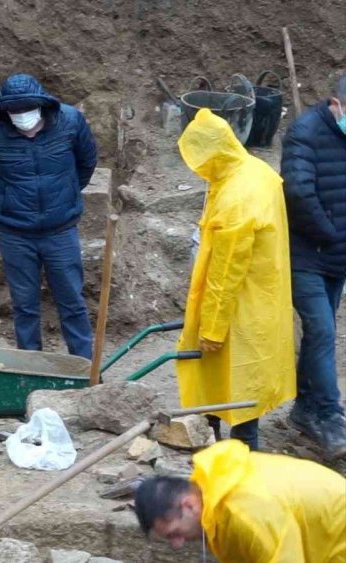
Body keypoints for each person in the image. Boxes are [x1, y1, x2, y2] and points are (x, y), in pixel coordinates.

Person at [174, 109, 296, 451]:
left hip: (237, 306)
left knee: (232, 382)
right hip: (263, 296)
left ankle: (235, 453)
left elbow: (226, 273)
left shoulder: (236, 200)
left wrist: (212, 327)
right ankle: (227, 444)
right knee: (244, 383)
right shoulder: (255, 171)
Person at [0, 73, 99, 359]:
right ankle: (31, 368)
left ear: (41, 105)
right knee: (24, 305)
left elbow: (87, 162)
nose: (21, 116)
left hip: (61, 230)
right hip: (15, 234)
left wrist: (64, 194)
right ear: (5, 111)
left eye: (26, 109)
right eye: (14, 111)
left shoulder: (70, 122)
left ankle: (85, 367)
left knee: (72, 302)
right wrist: (9, 202)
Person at [134, 440, 346, 562]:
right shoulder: (214, 486)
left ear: (188, 504)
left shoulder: (246, 514)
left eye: (175, 533)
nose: (177, 545)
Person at [280, 73, 346, 459]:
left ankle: (305, 410)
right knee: (321, 330)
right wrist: (329, 232)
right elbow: (298, 191)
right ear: (334, 105)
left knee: (323, 331)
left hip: (336, 255)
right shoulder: (303, 133)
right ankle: (330, 415)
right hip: (306, 254)